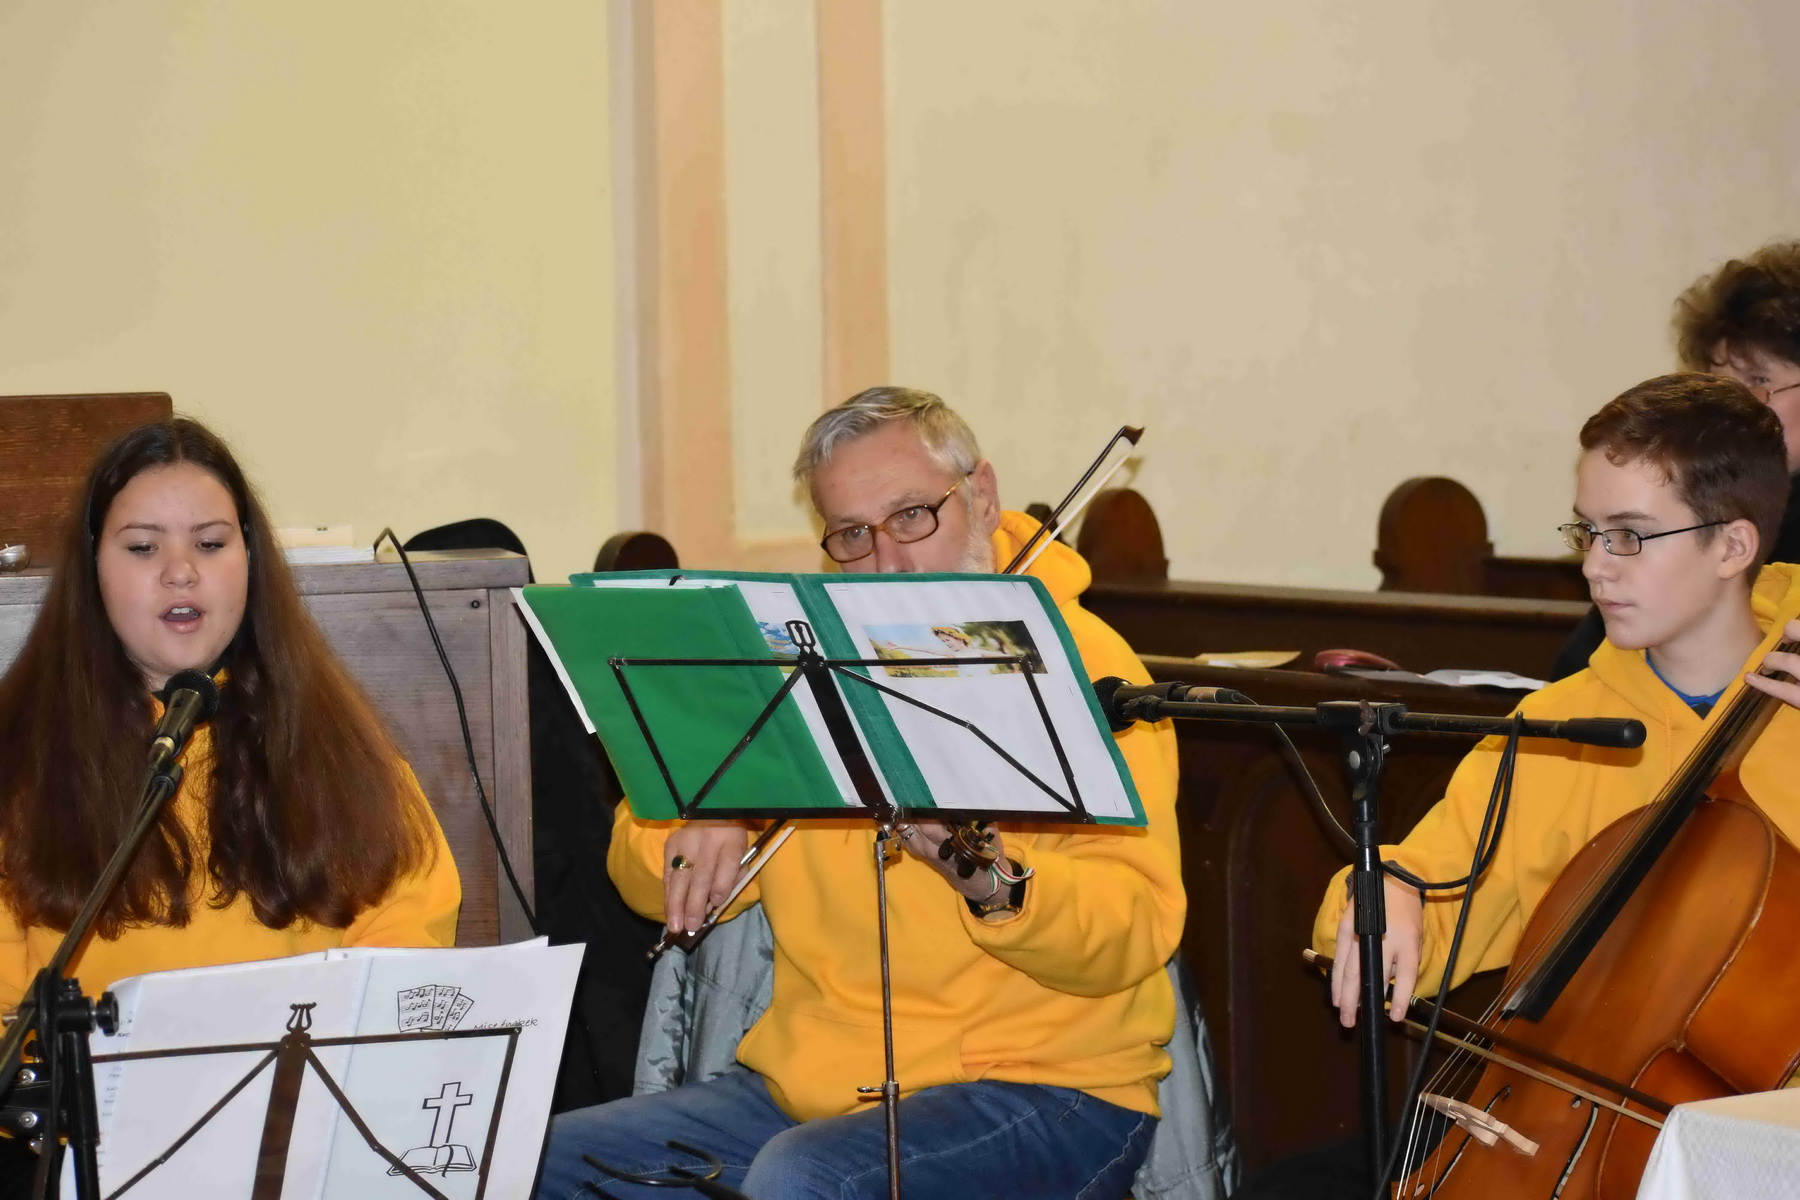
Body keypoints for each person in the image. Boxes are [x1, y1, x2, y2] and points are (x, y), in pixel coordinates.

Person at [536, 388, 1186, 1199]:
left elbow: (1135, 932)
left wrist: (984, 874)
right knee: (537, 1160)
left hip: (1047, 1088)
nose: (888, 561)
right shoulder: (797, 663)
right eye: (852, 534)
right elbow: (643, 880)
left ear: (982, 496)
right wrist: (718, 805)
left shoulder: (1090, 670)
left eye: (912, 516)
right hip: (814, 1091)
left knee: (804, 1177)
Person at [1317, 376, 1800, 1100]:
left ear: (1732, 546)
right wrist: (1385, 890)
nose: (1595, 566)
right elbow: (1434, 889)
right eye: (1588, 532)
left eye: (1629, 535)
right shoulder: (1554, 731)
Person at [0, 418, 461, 1012]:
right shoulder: (18, 762)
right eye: (142, 547)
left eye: (210, 544)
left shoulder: (346, 756)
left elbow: (405, 965)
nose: (180, 571)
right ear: (93, 567)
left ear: (249, 558)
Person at [1552, 241, 1800, 681]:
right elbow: (1581, 669)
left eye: (1759, 380)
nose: (1734, 407)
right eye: (1718, 384)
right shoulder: (1694, 496)